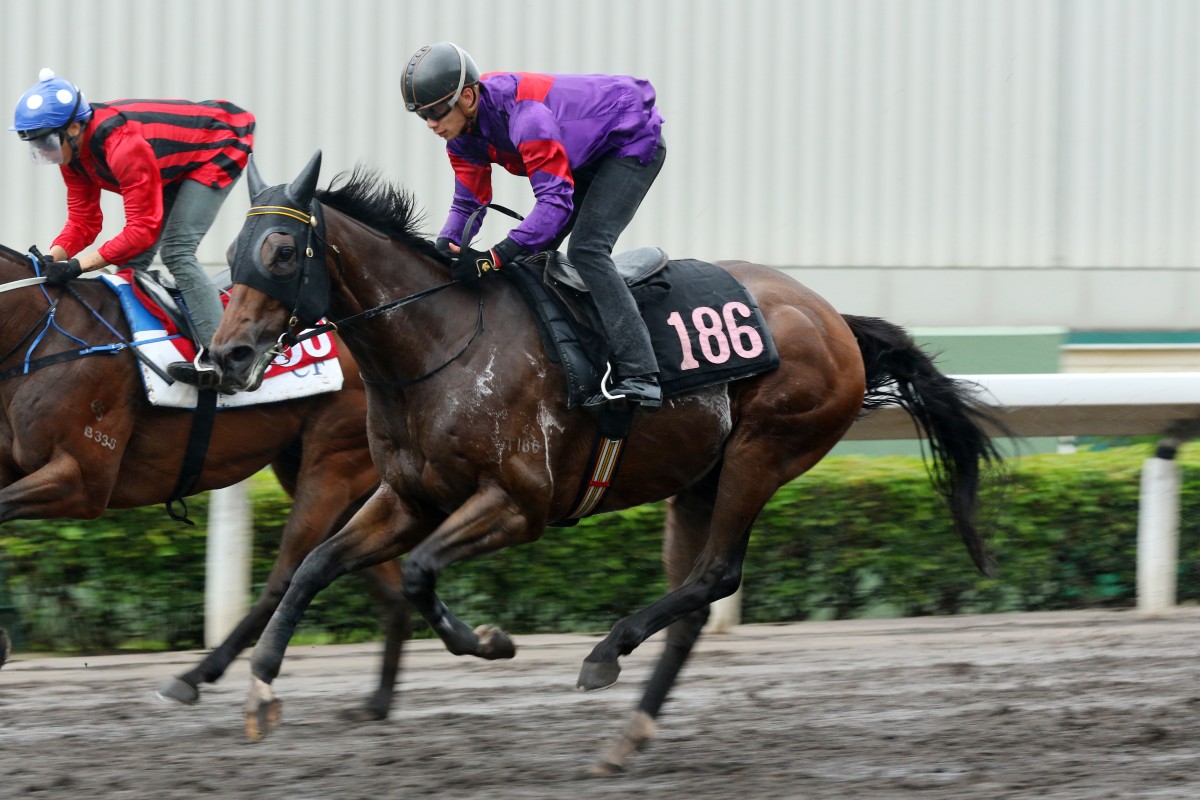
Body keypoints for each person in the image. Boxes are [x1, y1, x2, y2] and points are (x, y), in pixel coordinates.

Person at [403, 43, 667, 410]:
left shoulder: (526, 118)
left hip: (629, 143)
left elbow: (555, 203)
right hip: (582, 152)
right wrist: (447, 243)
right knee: (534, 257)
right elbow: (468, 202)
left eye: (435, 112)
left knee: (586, 250)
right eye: (422, 116)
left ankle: (642, 373)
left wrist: (495, 256)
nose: (431, 125)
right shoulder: (461, 135)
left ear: (466, 97)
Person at [10, 68, 256, 389]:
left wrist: (76, 266)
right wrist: (53, 258)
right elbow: (84, 222)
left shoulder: (123, 146)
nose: (44, 151)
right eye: (35, 143)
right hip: (168, 162)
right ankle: (149, 349)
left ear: (73, 127)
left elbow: (142, 230)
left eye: (47, 140)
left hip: (218, 143)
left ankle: (223, 361)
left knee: (178, 251)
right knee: (131, 267)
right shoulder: (72, 154)